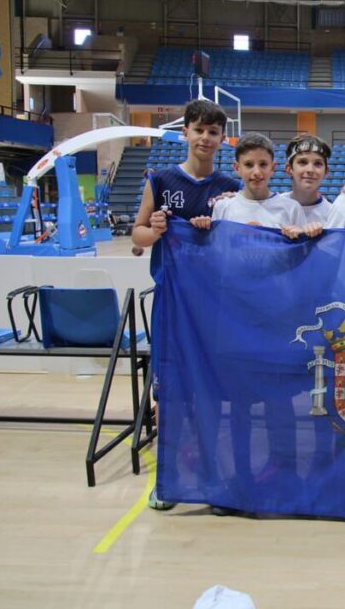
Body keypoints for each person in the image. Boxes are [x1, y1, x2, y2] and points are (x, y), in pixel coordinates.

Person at [132, 99, 240, 512]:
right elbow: (137, 240)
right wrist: (155, 230)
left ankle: (213, 476)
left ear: (221, 139)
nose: (206, 138)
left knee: (212, 392)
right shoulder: (159, 180)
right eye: (199, 130)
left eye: (213, 132)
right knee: (170, 394)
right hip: (173, 305)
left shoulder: (229, 187)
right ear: (186, 133)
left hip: (215, 307)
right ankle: (170, 478)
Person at [190, 132, 315, 237]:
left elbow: (302, 253)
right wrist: (200, 226)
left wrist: (298, 235)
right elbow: (218, 249)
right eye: (249, 165)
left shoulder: (291, 208)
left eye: (263, 164)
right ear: (237, 167)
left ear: (273, 167)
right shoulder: (223, 206)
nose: (256, 172)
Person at [281, 135, 333, 224]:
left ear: (325, 172)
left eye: (318, 164)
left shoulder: (332, 214)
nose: (310, 170)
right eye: (302, 162)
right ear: (289, 169)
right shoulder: (272, 207)